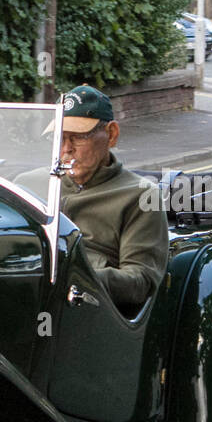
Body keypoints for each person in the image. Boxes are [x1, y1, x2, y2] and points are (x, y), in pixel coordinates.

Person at [49, 85, 168, 314]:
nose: (66, 149)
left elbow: (140, 281)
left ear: (111, 135)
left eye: (79, 137)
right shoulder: (30, 182)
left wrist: (76, 279)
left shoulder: (140, 196)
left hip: (90, 310)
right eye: (59, 137)